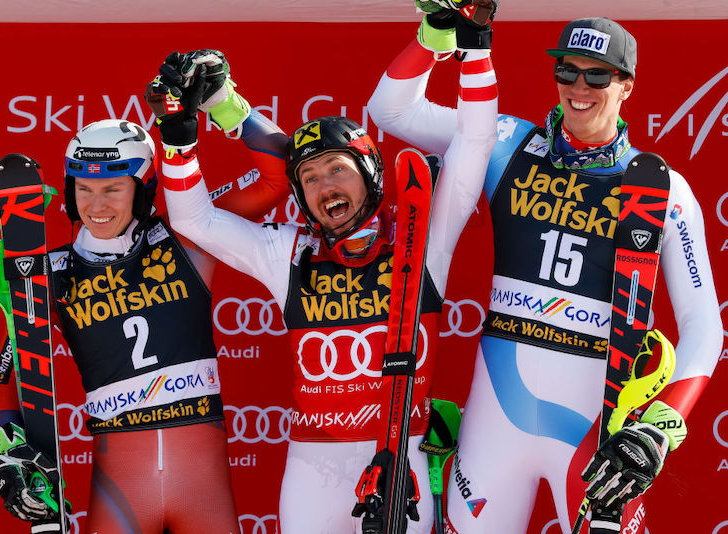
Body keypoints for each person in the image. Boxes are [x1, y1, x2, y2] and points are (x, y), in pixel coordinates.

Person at [368, 8, 723, 534]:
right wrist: (434, 37)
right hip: (496, 416)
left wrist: (659, 430)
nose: (579, 87)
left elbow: (705, 327)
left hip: (594, 422)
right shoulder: (507, 141)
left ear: (626, 85)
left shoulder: (659, 186)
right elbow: (391, 112)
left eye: (597, 75)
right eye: (567, 71)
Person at [145, 33, 498, 533]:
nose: (325, 185)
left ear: (371, 174)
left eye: (337, 169)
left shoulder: (424, 236)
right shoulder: (289, 254)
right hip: (311, 472)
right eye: (309, 178)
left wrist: (474, 46)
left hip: (402, 458)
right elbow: (195, 220)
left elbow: (476, 141)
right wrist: (178, 141)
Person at [0, 87, 290, 532]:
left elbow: (279, 176)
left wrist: (225, 103)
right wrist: (7, 445)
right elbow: (5, 370)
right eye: (84, 189)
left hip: (201, 490)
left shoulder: (188, 239)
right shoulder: (51, 273)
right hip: (120, 490)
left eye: (113, 188)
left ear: (144, 187)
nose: (96, 205)